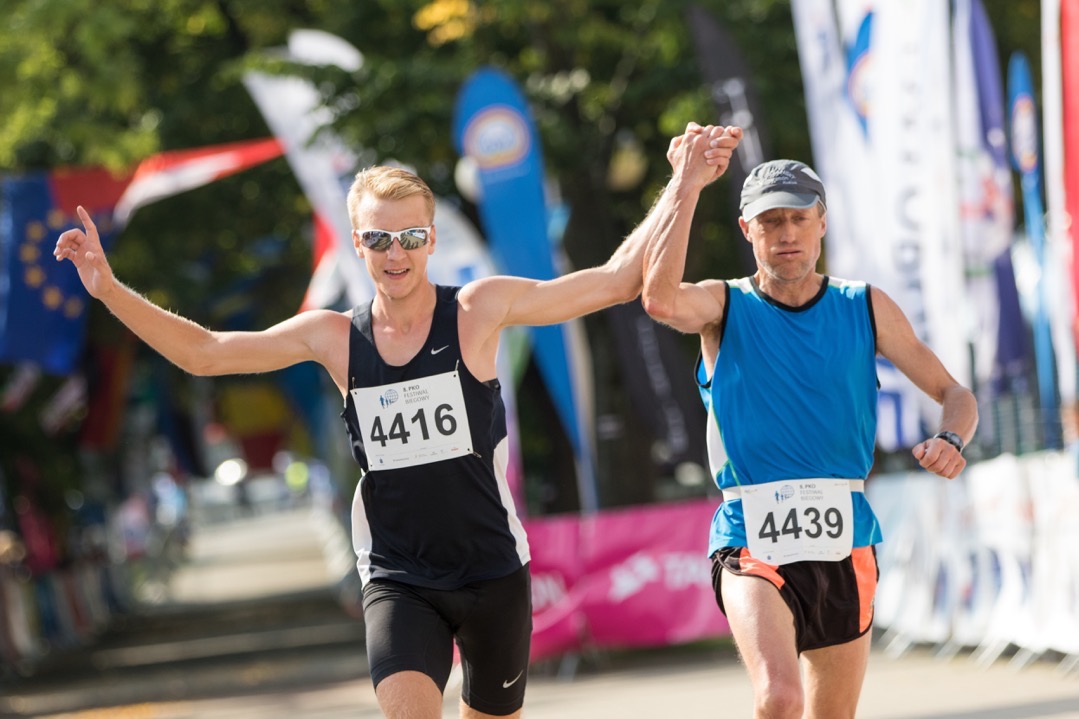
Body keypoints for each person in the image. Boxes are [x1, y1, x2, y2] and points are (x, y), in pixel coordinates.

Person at [52, 164, 671, 719]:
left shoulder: (477, 309)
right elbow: (206, 354)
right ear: (357, 243)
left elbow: (615, 282)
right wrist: (108, 288)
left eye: (410, 237)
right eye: (378, 239)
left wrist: (683, 184)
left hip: (494, 571)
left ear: (431, 240)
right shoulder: (334, 337)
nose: (394, 253)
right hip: (400, 577)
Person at [641, 124, 979, 719]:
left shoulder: (863, 305)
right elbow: (661, 299)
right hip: (750, 532)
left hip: (845, 535)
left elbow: (954, 393)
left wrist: (952, 437)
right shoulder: (724, 305)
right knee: (779, 697)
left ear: (822, 223)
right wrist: (686, 185)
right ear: (747, 230)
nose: (787, 234)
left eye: (799, 218)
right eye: (771, 221)